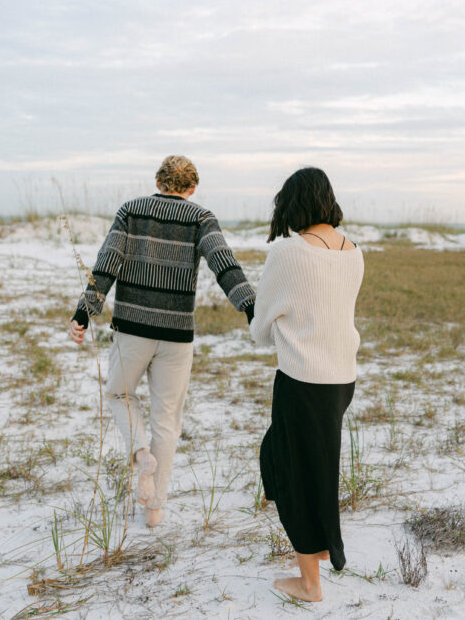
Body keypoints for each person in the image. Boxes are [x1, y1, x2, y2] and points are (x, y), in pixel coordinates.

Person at [68, 155, 255, 528]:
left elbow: (106, 262)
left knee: (119, 394)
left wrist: (83, 313)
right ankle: (154, 510)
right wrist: (249, 306)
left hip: (132, 329)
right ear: (192, 188)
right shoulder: (201, 217)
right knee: (167, 421)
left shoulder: (131, 211)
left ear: (158, 181)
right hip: (176, 335)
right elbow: (224, 263)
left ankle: (140, 454)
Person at [249, 167, 364, 602]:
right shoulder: (354, 251)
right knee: (303, 465)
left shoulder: (289, 252)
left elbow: (261, 327)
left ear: (293, 203)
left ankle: (311, 582)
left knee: (298, 474)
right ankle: (319, 555)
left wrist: (270, 324)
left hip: (302, 380)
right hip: (340, 379)